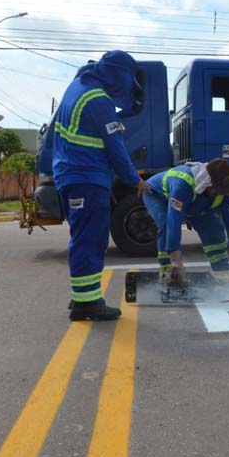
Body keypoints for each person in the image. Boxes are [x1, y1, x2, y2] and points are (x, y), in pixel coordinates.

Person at [53, 50, 150, 321]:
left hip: (72, 175)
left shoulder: (79, 86)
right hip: (86, 176)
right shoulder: (98, 99)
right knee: (90, 238)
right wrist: (134, 179)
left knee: (83, 236)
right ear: (118, 74)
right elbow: (115, 147)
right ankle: (88, 304)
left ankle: (82, 296)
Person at [142, 158, 229, 282]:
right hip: (156, 195)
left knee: (215, 229)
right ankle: (168, 271)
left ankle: (221, 269)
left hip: (194, 203)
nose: (220, 193)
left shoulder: (225, 189)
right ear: (207, 181)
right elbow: (174, 222)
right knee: (166, 225)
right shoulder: (182, 184)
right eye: (216, 188)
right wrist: (175, 261)